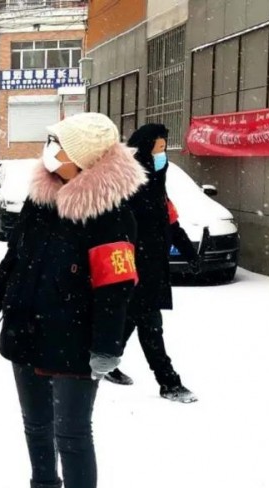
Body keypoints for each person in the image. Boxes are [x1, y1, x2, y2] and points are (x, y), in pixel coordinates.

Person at [0, 113, 145, 488]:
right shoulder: (41, 197)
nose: (49, 151)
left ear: (84, 158)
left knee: (72, 435)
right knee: (35, 423)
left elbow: (116, 288)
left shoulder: (110, 214)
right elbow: (15, 257)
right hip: (27, 329)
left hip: (75, 341)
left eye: (58, 144)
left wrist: (107, 347)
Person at [105, 124, 199, 403]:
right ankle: (168, 382)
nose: (163, 154)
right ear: (146, 149)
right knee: (150, 324)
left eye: (164, 148)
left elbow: (171, 223)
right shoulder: (128, 184)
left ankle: (103, 360)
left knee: (133, 318)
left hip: (153, 267)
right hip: (134, 267)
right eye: (159, 148)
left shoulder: (158, 186)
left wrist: (190, 253)